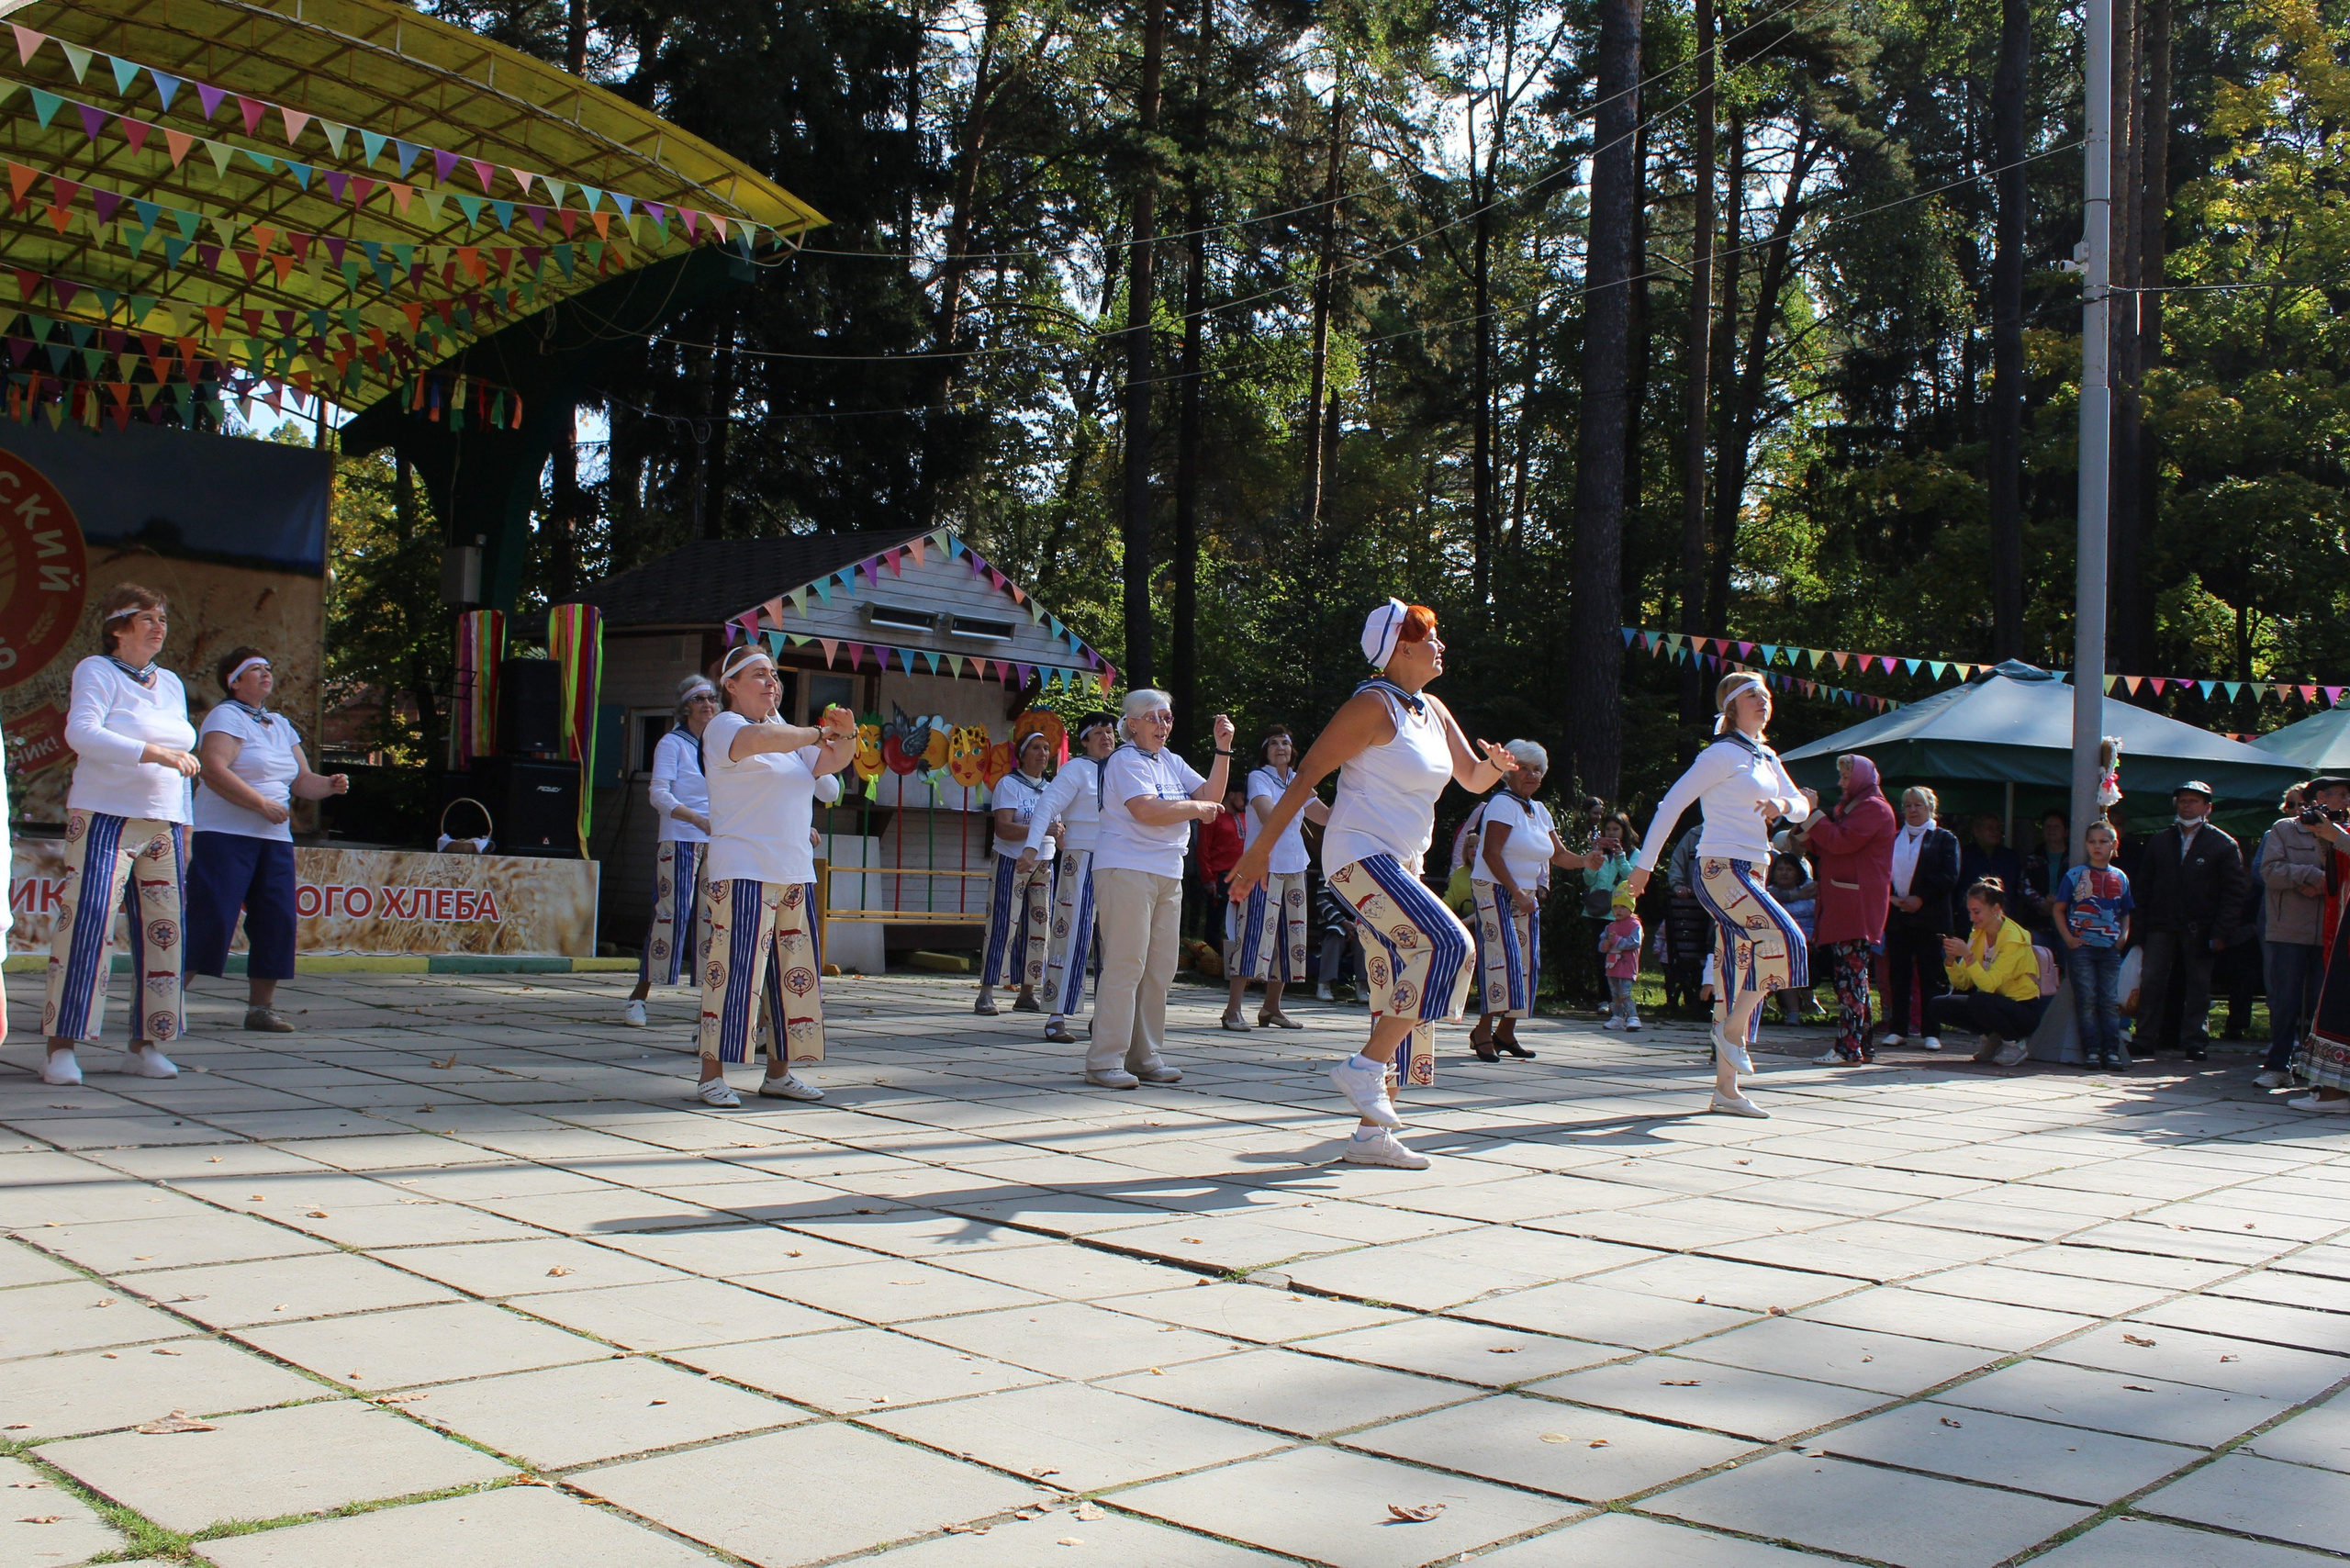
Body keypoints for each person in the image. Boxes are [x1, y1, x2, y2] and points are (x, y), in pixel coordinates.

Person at [1234, 599, 1517, 1168]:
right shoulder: (1371, 704)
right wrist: (1259, 854)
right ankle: (1363, 1068)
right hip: (1359, 856)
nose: (1440, 643)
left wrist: (1496, 767)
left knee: (1396, 987)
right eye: (1429, 635)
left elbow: (1468, 777)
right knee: (1449, 945)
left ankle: (1371, 1134)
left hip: (1403, 863)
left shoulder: (1432, 709)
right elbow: (1307, 775)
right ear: (1402, 648)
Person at [1626, 672, 1815, 1119]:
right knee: (1786, 940)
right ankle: (1732, 1031)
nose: (1764, 701)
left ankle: (1725, 1091)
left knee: (1736, 973)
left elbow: (1803, 804)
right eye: (1753, 695)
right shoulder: (1723, 754)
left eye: (1766, 695)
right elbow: (1670, 804)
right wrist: (1643, 867)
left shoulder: (1765, 755)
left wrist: (1783, 807)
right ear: (1731, 706)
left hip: (1756, 870)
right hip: (1719, 869)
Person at [43, 585, 202, 1086]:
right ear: (118, 627)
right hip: (105, 815)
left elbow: (186, 761)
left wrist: (187, 822)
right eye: (148, 618)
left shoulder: (172, 682)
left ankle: (146, 1043)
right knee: (87, 924)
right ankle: (61, 1048)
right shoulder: (96, 670)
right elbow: (82, 734)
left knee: (164, 931)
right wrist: (153, 752)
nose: (159, 627)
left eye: (163, 619)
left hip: (165, 821)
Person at [691, 646, 856, 1107]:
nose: (771, 682)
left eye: (774, 675)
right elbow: (761, 743)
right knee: (736, 972)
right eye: (759, 675)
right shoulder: (726, 726)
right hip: (744, 869)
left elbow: (831, 766)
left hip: (793, 871)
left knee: (792, 977)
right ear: (731, 685)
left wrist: (845, 735)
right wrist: (818, 731)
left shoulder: (790, 739)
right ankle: (711, 1075)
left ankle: (779, 1073)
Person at [185, 647, 350, 1033]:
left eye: (267, 667)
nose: (265, 674)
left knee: (276, 920)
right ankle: (161, 1002)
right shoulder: (226, 716)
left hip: (273, 838)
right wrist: (259, 803)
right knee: (211, 918)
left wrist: (329, 785)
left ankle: (260, 1009)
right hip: (224, 834)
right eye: (254, 669)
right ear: (234, 681)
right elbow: (212, 770)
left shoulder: (279, 724)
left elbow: (302, 781)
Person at [1090, 689, 1234, 1089]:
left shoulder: (1169, 760)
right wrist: (1196, 810)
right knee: (1125, 964)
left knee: (1160, 969)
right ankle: (1104, 1060)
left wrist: (1223, 750)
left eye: (1168, 718)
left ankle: (1145, 1056)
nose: (1163, 726)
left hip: (1167, 872)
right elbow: (1147, 810)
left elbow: (1211, 796)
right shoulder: (1123, 760)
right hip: (1126, 869)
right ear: (1132, 723)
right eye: (1154, 718)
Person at [1468, 740, 1592, 1059]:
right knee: (1504, 957)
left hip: (1524, 894)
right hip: (1496, 887)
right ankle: (1482, 1030)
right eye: (1524, 768)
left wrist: (1587, 860)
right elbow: (1490, 853)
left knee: (1527, 961)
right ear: (1510, 771)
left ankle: (1506, 1033)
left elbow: (1561, 855)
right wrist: (1516, 892)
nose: (1532, 775)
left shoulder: (1540, 810)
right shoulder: (1501, 803)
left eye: (1538, 770)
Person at [624, 676, 721, 1027]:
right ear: (686, 706)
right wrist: (696, 818)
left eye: (712, 698)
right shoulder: (672, 743)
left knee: (713, 919)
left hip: (718, 840)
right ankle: (639, 997)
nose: (708, 704)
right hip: (680, 836)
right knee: (671, 913)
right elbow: (659, 794)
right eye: (700, 699)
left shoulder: (719, 745)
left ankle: (710, 1000)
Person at [1019, 711, 1119, 1045]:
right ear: (1085, 739)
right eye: (1099, 732)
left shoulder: (1125, 768)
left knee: (1116, 942)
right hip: (1082, 856)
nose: (1107, 737)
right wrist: (1033, 846)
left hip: (1120, 861)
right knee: (1071, 934)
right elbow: (1047, 805)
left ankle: (1106, 1016)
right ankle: (1057, 1015)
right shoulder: (1077, 769)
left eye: (1111, 731)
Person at [1222, 726, 1328, 1031]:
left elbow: (1326, 816)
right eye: (1274, 743)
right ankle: (1232, 1010)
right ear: (1265, 751)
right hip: (1262, 867)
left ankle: (1271, 1008)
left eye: (1286, 742)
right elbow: (1270, 816)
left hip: (1295, 865)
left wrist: (1353, 791)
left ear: (1293, 750)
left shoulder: (1297, 781)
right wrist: (1302, 792)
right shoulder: (1259, 778)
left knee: (1289, 936)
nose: (1281, 746)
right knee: (1253, 933)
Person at [2132, 781, 2246, 1061]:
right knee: (2152, 980)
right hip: (2160, 923)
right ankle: (2145, 1038)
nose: (2187, 805)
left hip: (2201, 925)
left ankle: (2195, 1041)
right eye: (2182, 800)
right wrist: (2138, 930)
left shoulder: (2223, 843)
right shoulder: (2160, 840)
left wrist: (2222, 932)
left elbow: (2234, 893)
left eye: (2193, 801)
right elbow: (2143, 887)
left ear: (2208, 807)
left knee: (2198, 985)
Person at [1797, 753, 1896, 1064]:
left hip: (1856, 907)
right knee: (1854, 978)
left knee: (1850, 980)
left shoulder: (1874, 810)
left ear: (1860, 779)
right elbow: (1828, 841)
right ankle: (1861, 1045)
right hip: (1846, 904)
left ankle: (1848, 1048)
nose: (1840, 784)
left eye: (1845, 778)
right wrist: (1807, 822)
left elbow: (1839, 842)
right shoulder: (1855, 808)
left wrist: (1813, 814)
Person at [2256, 777, 2340, 1089]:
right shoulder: (2284, 828)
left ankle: (2318, 1072)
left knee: (2323, 1005)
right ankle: (2277, 1065)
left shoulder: (2344, 833)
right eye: (2341, 794)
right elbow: (2268, 870)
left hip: (2331, 933)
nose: (2347, 800)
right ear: (2321, 796)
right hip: (2288, 929)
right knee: (2285, 1000)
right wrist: (2308, 876)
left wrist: (2325, 881)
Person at [977, 731, 1056, 1016]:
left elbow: (1060, 827)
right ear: (1021, 754)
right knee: (1003, 923)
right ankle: (986, 992)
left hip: (1044, 861)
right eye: (1035, 747)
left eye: (1046, 748)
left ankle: (1027, 992)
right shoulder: (1009, 784)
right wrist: (1042, 829)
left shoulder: (1052, 788)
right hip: (1012, 859)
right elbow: (1004, 828)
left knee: (1039, 928)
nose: (1042, 753)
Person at [1930, 879, 2045, 1065]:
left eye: (1977, 912)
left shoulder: (2014, 938)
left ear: (1996, 909)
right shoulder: (1978, 934)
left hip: (2023, 1009)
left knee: (1980, 1000)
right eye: (1970, 912)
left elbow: (1989, 985)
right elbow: (1963, 983)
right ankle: (1993, 1038)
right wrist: (1951, 960)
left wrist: (1968, 956)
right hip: (1992, 1002)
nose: (1972, 918)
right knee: (1938, 1005)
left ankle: (2014, 1044)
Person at [1882, 787, 1961, 1052]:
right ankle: (1898, 1029)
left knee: (1931, 975)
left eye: (1918, 805)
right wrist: (1893, 897)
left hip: (1931, 918)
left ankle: (1931, 1031)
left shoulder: (1944, 839)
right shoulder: (1893, 839)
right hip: (1898, 916)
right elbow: (1881, 871)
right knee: (1899, 974)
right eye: (1908, 806)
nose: (1913, 810)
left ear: (1930, 808)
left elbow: (1949, 876)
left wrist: (1921, 898)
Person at [2053, 821, 2133, 1070]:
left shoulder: (2120, 877)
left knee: (2109, 999)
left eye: (2103, 841)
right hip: (2082, 946)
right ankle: (2091, 1050)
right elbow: (2059, 908)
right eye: (2092, 841)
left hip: (2110, 947)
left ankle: (2112, 1051)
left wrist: (2124, 936)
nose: (2097, 846)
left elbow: (2126, 911)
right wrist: (2068, 938)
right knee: (2086, 998)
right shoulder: (2074, 874)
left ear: (2114, 845)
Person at [1763, 854, 1822, 1025]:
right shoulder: (1768, 891)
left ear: (1798, 872)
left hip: (1811, 941)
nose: (1784, 873)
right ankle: (1793, 1013)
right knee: (1786, 959)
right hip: (1780, 942)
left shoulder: (1811, 889)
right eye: (1780, 869)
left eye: (1789, 869)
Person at [2020, 810, 2072, 953]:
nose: (2051, 830)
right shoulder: (2033, 857)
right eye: (2047, 826)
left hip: (2068, 925)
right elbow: (2024, 886)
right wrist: (2041, 902)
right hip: (2038, 923)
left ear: (2066, 831)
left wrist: (2060, 904)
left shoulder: (2074, 858)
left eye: (2056, 827)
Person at [1600, 886, 1643, 1030]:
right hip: (1612, 966)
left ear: (1631, 907)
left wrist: (1617, 940)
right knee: (1615, 994)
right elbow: (1602, 943)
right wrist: (1605, 945)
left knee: (1625, 993)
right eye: (1616, 907)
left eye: (1623, 907)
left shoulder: (1634, 925)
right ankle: (1617, 1017)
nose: (1618, 910)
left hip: (1627, 966)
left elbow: (1635, 942)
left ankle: (1633, 1017)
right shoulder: (1610, 926)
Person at [1959, 813, 2022, 901]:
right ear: (1977, 831)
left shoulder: (2010, 857)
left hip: (2003, 910)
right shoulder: (1963, 855)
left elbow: (2017, 887)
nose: (1995, 832)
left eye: (1998, 828)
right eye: (1990, 828)